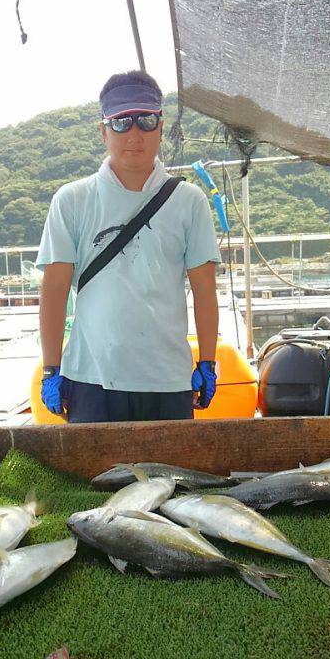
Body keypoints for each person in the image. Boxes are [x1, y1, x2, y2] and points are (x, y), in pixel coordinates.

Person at [37, 70, 220, 423]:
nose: (134, 134)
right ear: (103, 130)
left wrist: (208, 361)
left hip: (169, 379)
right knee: (94, 479)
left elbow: (205, 291)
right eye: (121, 122)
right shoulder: (72, 200)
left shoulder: (190, 201)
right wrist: (51, 367)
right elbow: (55, 291)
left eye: (146, 120)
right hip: (91, 378)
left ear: (161, 127)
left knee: (169, 479)